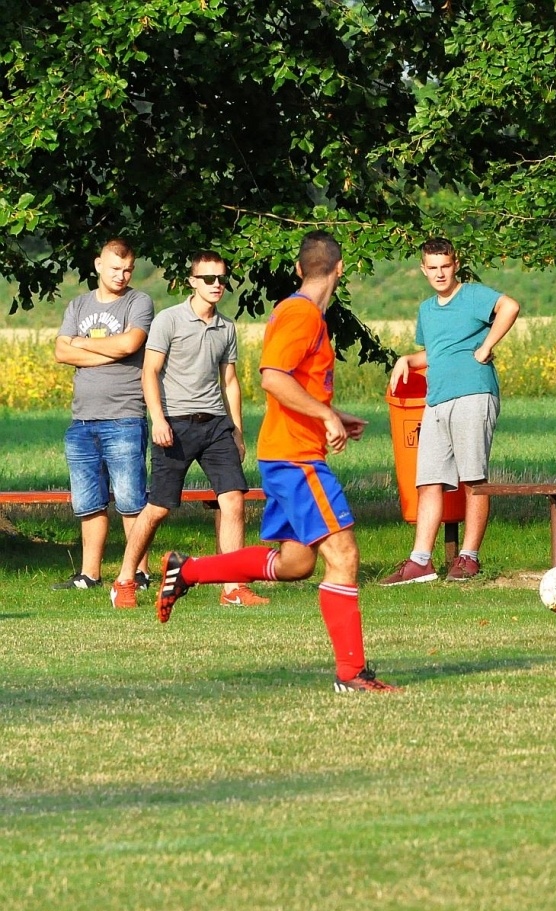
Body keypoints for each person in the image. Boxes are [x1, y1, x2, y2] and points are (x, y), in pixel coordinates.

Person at [155, 231, 399, 692]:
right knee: (343, 555)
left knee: (294, 564)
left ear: (299, 269)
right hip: (295, 458)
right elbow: (272, 377)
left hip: (288, 452)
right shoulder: (301, 314)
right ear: (340, 270)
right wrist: (324, 413)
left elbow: (294, 385)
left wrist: (333, 415)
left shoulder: (307, 316)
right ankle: (352, 674)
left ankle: (185, 570)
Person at [109, 252, 268, 609]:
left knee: (233, 500)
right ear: (192, 281)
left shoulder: (226, 327)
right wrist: (159, 419)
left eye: (221, 279)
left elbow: (230, 381)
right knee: (159, 508)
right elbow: (149, 372)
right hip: (176, 425)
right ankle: (124, 579)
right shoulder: (169, 320)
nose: (216, 285)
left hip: (215, 426)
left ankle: (232, 587)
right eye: (208, 278)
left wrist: (238, 431)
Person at [380, 238, 520, 585]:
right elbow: (435, 354)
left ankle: (468, 557)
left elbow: (511, 307)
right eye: (433, 267)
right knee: (428, 481)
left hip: (474, 392)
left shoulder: (472, 295)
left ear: (455, 264)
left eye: (445, 266)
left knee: (473, 478)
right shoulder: (427, 309)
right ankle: (420, 562)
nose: (440, 273)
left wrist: (487, 347)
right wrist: (406, 360)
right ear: (423, 269)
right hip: (436, 400)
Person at [52, 237, 155, 591]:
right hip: (82, 420)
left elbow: (130, 344)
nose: (122, 275)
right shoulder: (78, 305)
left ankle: (138, 573)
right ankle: (89, 574)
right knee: (88, 502)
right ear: (98, 265)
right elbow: (61, 353)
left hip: (124, 416)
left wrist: (81, 343)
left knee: (130, 501)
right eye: (115, 268)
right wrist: (106, 351)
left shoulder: (139, 302)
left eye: (128, 269)